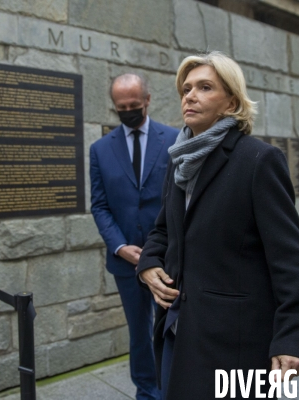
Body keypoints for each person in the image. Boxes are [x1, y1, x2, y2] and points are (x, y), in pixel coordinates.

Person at [136, 51, 299, 400]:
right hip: (180, 326)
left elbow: (290, 261)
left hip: (234, 340)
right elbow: (164, 230)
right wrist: (148, 264)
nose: (190, 95)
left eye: (205, 87)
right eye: (186, 88)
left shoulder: (258, 160)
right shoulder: (180, 158)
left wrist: (293, 338)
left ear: (231, 102)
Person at [90, 73, 178, 400]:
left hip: (169, 256)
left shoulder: (174, 139)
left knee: (173, 328)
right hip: (126, 261)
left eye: (134, 105)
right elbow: (99, 205)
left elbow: (181, 197)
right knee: (139, 332)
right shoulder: (100, 150)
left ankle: (173, 386)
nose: (128, 111)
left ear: (147, 100)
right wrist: (120, 246)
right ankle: (147, 391)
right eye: (121, 107)